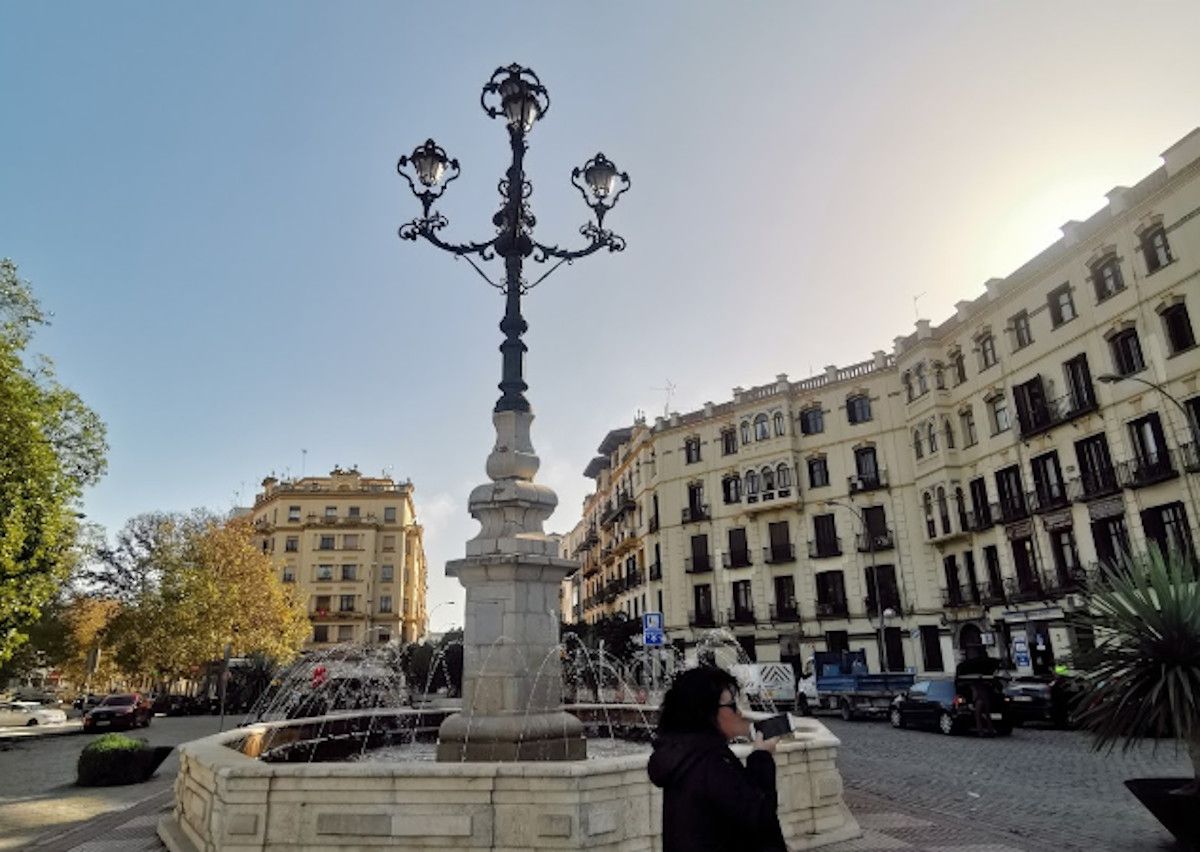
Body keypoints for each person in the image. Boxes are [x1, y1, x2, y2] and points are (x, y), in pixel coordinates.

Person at [647, 667, 786, 852]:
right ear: (707, 712)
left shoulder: (683, 756)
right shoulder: (710, 762)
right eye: (732, 705)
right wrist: (761, 756)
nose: (740, 713)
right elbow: (758, 817)